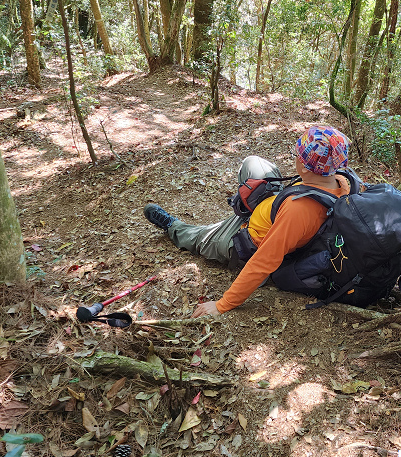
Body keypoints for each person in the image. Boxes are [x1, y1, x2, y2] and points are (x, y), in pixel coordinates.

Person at [144, 126, 352, 318]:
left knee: (201, 238)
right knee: (253, 162)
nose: (295, 158)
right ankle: (243, 205)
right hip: (274, 207)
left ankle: (174, 227)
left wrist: (222, 304)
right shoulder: (343, 181)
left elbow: (265, 260)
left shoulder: (299, 212)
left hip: (247, 240)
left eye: (297, 155)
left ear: (305, 168)